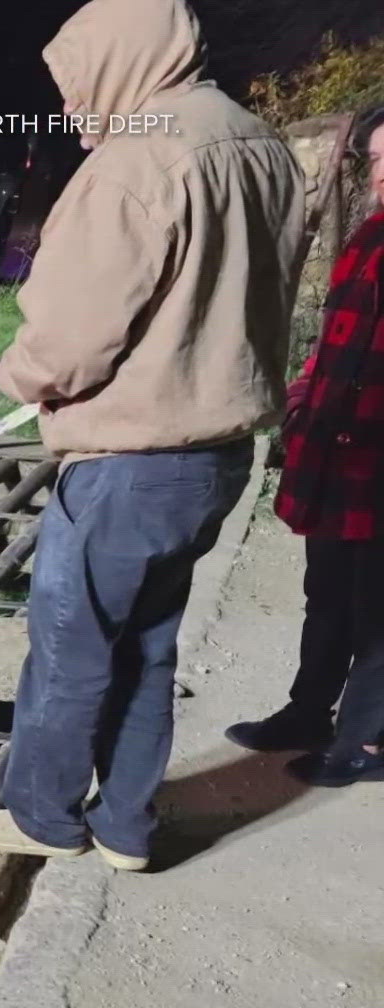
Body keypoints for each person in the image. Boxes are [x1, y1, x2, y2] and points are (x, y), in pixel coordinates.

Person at [0, 0, 308, 871]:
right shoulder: (260, 143)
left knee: (72, 649)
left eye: (75, 84)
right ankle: (126, 830)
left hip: (131, 460)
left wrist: (16, 375)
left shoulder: (137, 162)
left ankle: (44, 818)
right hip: (216, 455)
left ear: (118, 63)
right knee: (148, 643)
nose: (70, 107)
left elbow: (72, 336)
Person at [227, 105, 384, 787]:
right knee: (328, 594)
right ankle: (308, 711)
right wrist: (300, 405)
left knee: (378, 610)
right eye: (380, 159)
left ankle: (368, 742)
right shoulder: (372, 235)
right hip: (339, 450)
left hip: (379, 456)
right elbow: (334, 344)